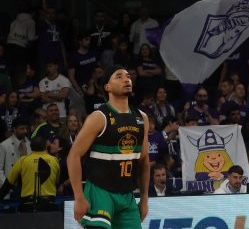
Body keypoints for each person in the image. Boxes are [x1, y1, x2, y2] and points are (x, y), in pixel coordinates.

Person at [68, 65, 150, 229]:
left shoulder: (142, 118)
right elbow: (73, 156)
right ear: (107, 87)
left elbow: (143, 160)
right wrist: (79, 197)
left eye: (128, 76)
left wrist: (144, 199)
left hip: (126, 195)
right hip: (100, 192)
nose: (126, 79)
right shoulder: (99, 117)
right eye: (119, 76)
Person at [0, 135, 60, 210]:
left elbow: (8, 183)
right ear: (45, 147)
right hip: (49, 203)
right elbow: (57, 181)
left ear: (31, 147)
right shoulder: (54, 160)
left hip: (28, 204)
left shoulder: (23, 160)